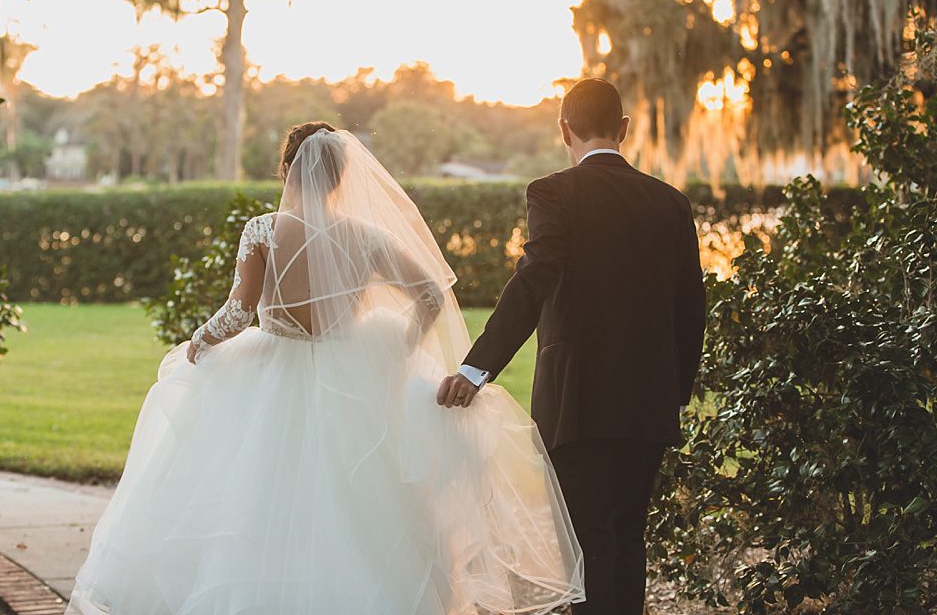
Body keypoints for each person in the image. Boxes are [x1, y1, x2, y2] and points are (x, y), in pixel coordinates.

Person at [65, 122, 584, 615]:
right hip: (347, 375)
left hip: (268, 372)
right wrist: (399, 344)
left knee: (255, 497)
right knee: (349, 501)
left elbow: (241, 311)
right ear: (340, 175)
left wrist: (198, 342)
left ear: (287, 170)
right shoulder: (362, 234)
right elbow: (430, 290)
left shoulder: (263, 230)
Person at [438, 78, 706, 615]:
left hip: (577, 401)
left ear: (564, 129)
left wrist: (475, 369)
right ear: (624, 129)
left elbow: (534, 279)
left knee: (586, 544)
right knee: (629, 538)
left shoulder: (553, 192)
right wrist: (674, 391)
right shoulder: (671, 203)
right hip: (650, 403)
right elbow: (690, 308)